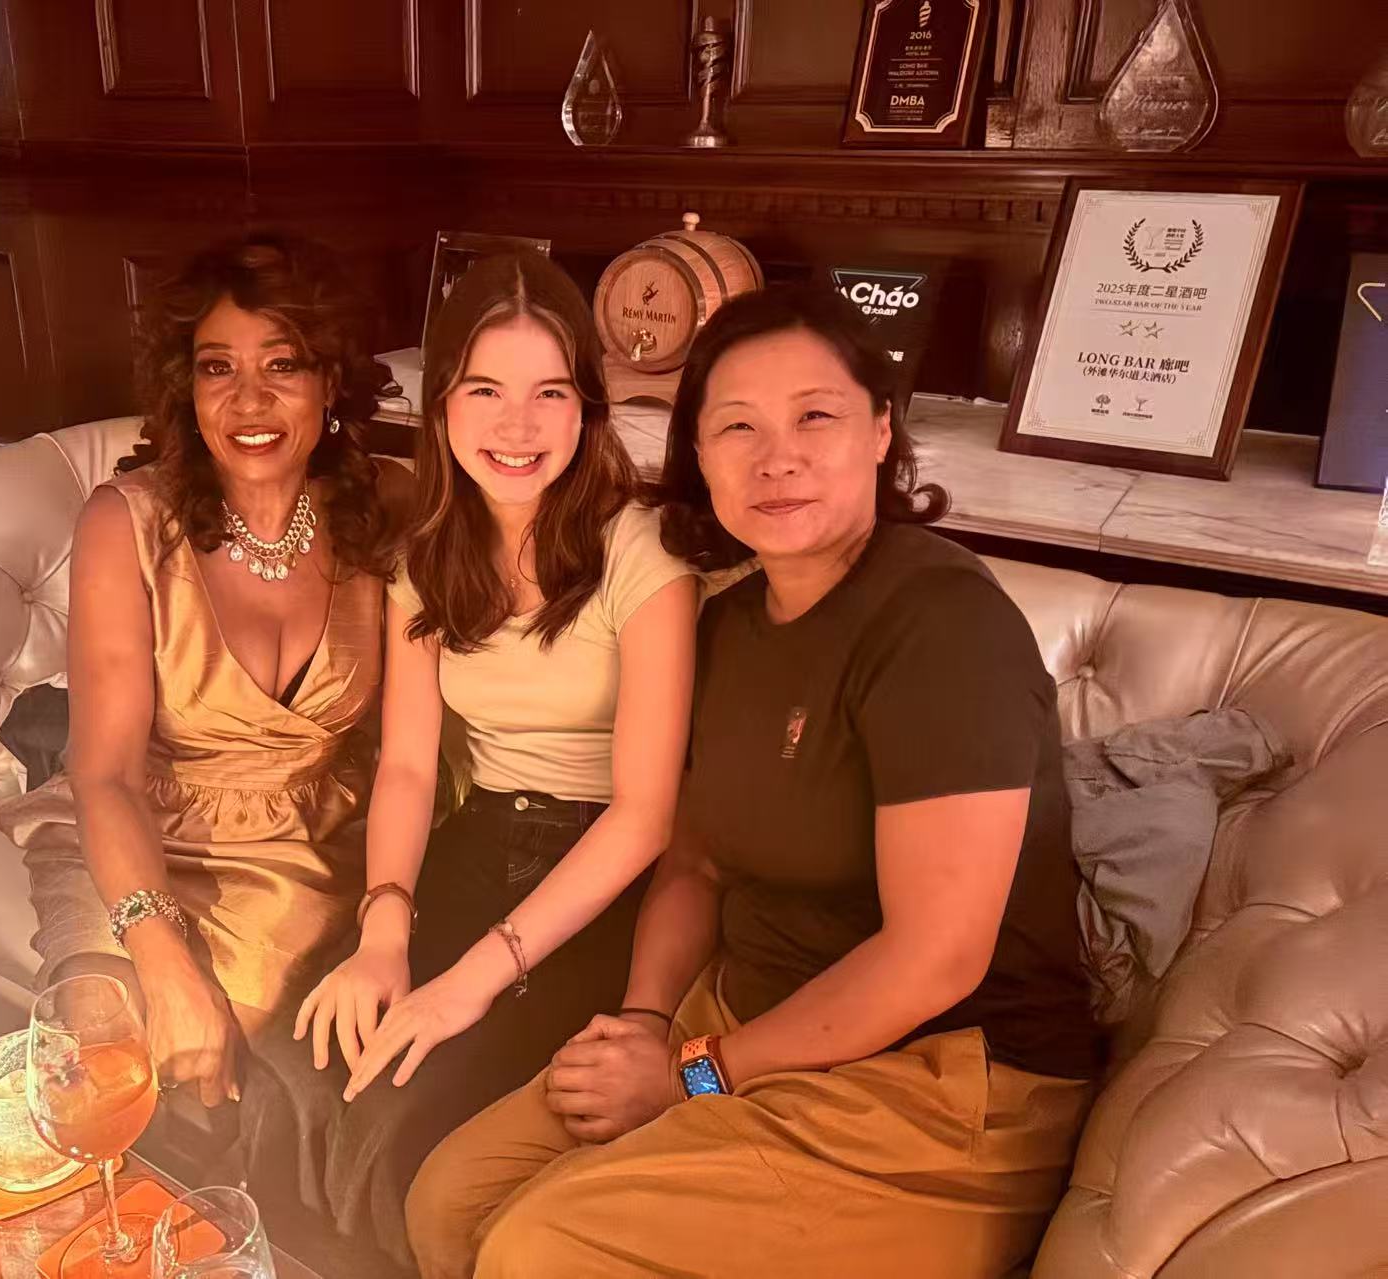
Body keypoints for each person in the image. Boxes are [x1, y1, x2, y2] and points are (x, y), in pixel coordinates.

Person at [406, 285, 1101, 1279]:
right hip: (741, 1016)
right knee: (450, 1199)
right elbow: (693, 860)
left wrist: (695, 1076)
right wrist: (646, 1021)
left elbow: (936, 957)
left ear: (879, 430)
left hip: (942, 1079)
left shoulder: (940, 623)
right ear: (697, 453)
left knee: (542, 1248)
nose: (775, 457)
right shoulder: (731, 624)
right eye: (736, 426)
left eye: (814, 415)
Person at [240, 250, 698, 1265]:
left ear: (587, 406)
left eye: (549, 393)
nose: (517, 425)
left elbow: (644, 815)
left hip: (601, 878)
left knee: (412, 1111)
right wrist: (384, 931)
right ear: (442, 401)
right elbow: (408, 766)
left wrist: (471, 979)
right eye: (485, 390)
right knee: (297, 1063)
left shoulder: (642, 551)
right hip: (477, 838)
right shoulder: (426, 556)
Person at [0, 235, 406, 1110]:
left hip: (304, 849)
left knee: (211, 1083)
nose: (248, 400)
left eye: (283, 365)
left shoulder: (387, 515)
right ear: (187, 387)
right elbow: (104, 774)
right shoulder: (126, 523)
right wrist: (163, 958)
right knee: (102, 1056)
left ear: (331, 382)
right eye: (218, 367)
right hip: (131, 829)